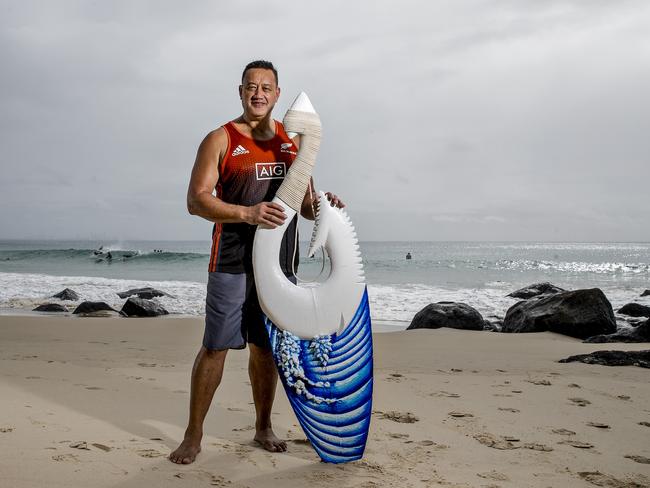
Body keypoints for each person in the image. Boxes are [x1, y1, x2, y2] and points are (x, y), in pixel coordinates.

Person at [169, 60, 343, 465]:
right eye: (251, 86)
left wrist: (325, 207)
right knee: (215, 347)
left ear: (278, 95)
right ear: (241, 91)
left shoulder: (291, 142)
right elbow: (196, 200)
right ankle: (193, 434)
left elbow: (304, 206)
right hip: (231, 261)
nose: (259, 93)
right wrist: (248, 214)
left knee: (265, 349)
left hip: (280, 267)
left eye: (267, 87)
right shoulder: (221, 138)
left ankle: (263, 425)